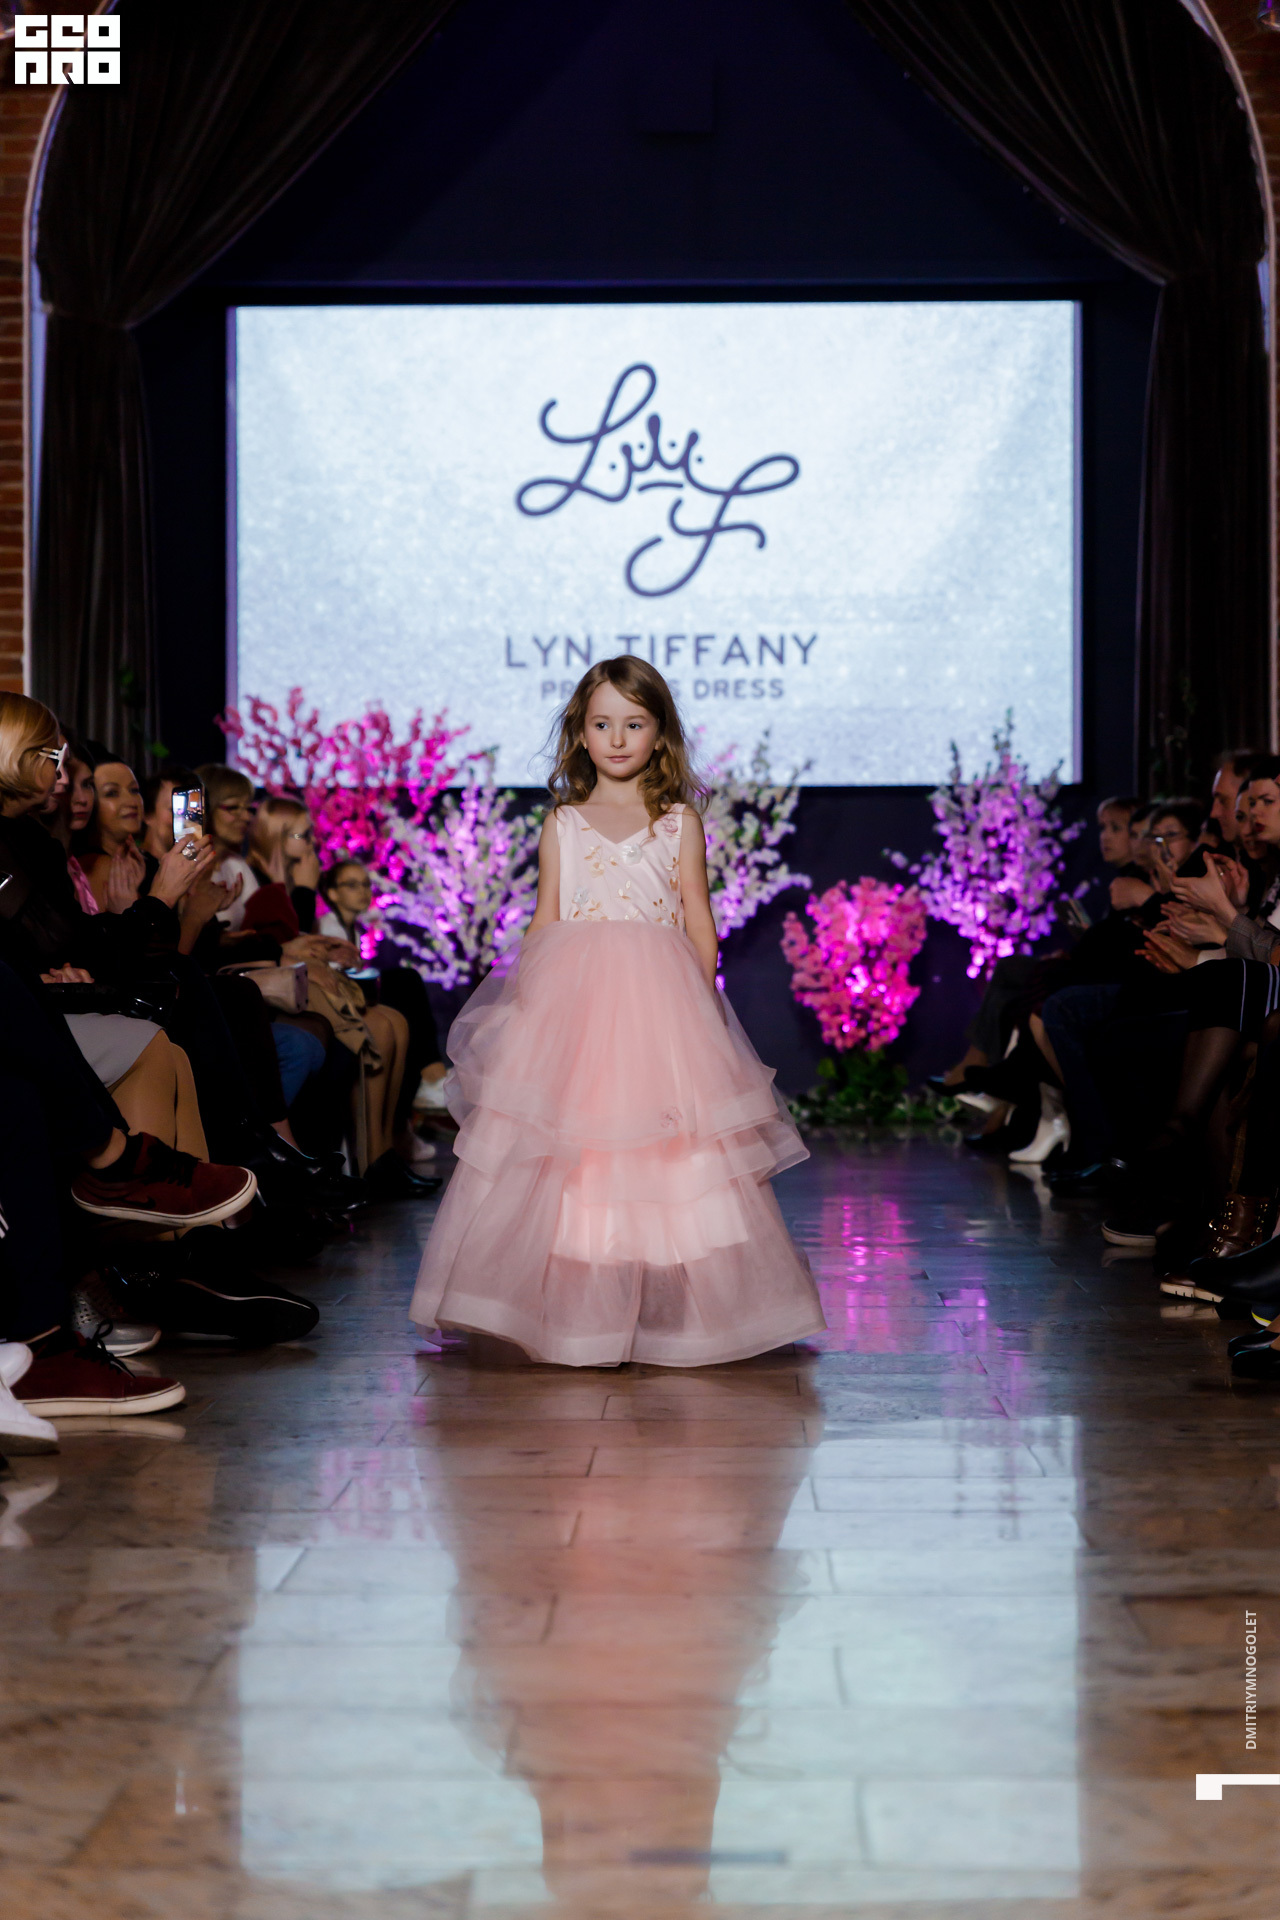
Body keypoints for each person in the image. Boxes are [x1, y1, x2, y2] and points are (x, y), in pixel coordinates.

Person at [410, 657, 825, 1367]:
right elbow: (546, 920)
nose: (618, 738)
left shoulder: (677, 823)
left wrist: (699, 1004)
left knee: (668, 1148)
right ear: (581, 732)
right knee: (583, 1145)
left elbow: (699, 919)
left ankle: (674, 1306)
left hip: (662, 1011)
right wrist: (526, 1008)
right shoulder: (564, 823)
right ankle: (585, 1309)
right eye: (603, 724)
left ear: (660, 733)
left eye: (634, 724)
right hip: (577, 1012)